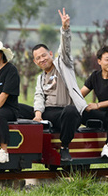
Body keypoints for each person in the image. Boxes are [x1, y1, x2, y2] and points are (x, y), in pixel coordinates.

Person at [19, 9, 86, 162]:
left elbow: (65, 49)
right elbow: (39, 97)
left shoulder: (63, 64)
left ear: (50, 54)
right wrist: (37, 114)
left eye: (44, 55)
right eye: (38, 58)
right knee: (16, 107)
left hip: (67, 114)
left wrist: (65, 29)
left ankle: (65, 147)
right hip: (49, 114)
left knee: (71, 111)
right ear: (35, 62)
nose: (42, 59)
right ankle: (21, 146)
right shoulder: (40, 78)